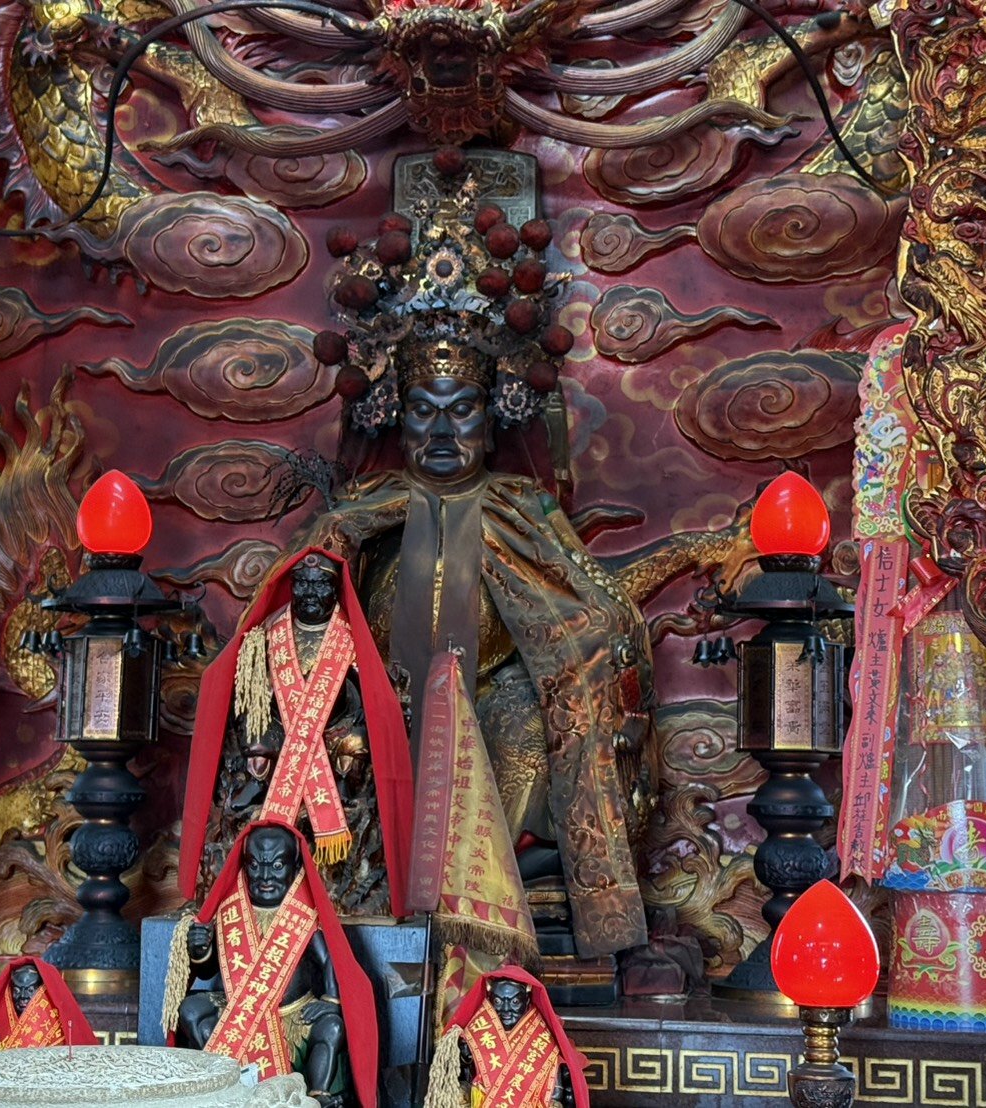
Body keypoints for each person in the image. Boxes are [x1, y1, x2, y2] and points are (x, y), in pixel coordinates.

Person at [278, 334, 654, 959]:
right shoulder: (362, 511)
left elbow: (589, 610)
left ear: (489, 421)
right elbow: (296, 612)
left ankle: (510, 878)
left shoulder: (520, 509)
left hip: (493, 699)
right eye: (423, 410)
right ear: (400, 421)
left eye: (461, 411)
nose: (442, 431)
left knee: (535, 728)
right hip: (379, 703)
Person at [180, 547, 413, 917]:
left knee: (355, 747)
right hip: (279, 735)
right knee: (256, 742)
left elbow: (372, 698)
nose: (311, 593)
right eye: (303, 584)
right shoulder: (268, 636)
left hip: (334, 735)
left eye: (320, 586)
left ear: (335, 591)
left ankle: (339, 816)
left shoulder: (349, 639)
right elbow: (247, 691)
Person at [165, 821, 379, 1108]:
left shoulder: (303, 913)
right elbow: (208, 970)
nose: (265, 876)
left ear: (295, 867)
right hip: (240, 1008)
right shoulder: (231, 911)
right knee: (190, 1010)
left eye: (277, 866)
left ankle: (318, 1094)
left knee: (332, 1027)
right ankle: (223, 1079)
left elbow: (330, 959)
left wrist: (330, 1001)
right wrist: (201, 950)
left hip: (294, 1013)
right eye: (255, 866)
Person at [425, 966, 588, 1108]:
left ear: (527, 1000)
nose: (506, 1009)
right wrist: (464, 1060)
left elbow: (559, 1094)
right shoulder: (474, 1035)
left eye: (514, 1002)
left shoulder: (544, 1040)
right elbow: (459, 1080)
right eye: (498, 1001)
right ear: (489, 999)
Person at [0, 956, 98, 1051]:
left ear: (42, 991)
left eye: (29, 990)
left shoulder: (59, 1025)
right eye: (17, 990)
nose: (22, 996)